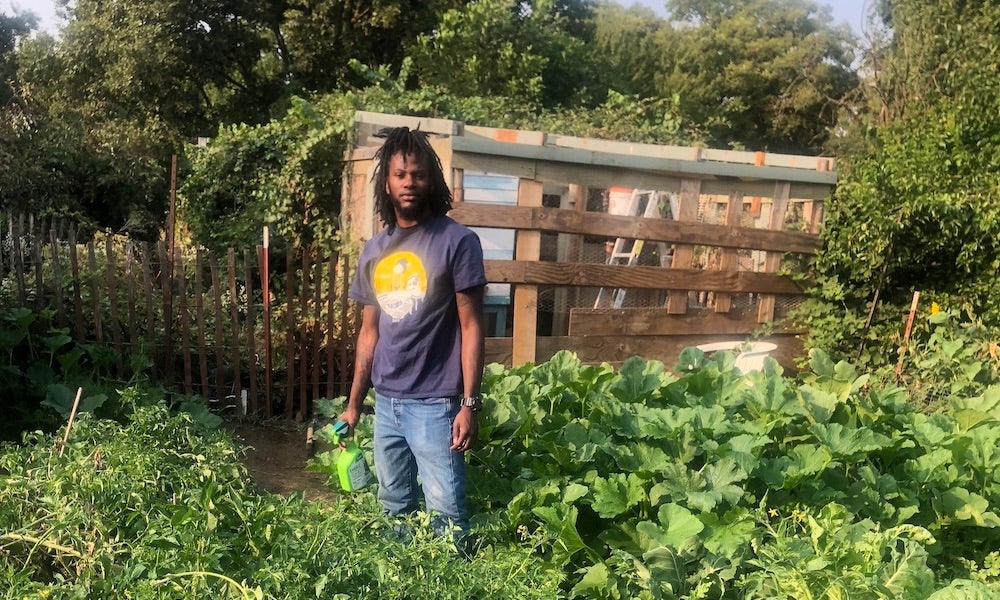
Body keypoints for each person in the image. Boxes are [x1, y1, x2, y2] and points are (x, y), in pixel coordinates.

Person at [338, 126, 486, 544]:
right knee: (394, 508)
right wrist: (353, 406)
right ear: (387, 180)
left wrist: (469, 403)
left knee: (447, 513)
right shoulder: (375, 250)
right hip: (386, 405)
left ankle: (455, 587)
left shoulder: (457, 242)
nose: (409, 183)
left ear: (431, 181)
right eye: (401, 174)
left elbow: (473, 326)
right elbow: (369, 333)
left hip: (437, 405)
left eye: (418, 174)